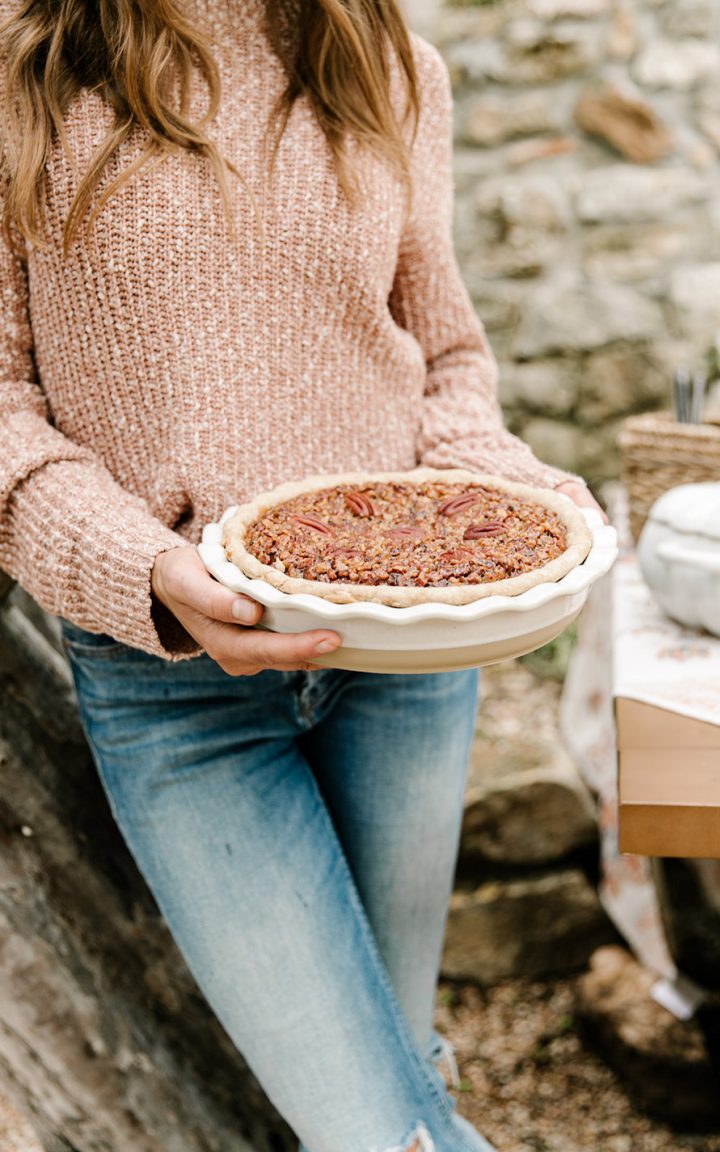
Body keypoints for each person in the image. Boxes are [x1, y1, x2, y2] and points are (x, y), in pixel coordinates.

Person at [0, 2, 603, 1149]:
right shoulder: (22, 72)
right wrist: (143, 565)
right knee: (378, 1129)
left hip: (410, 662)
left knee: (401, 1075)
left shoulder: (388, 66)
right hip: (174, 687)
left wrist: (513, 501)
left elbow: (447, 367)